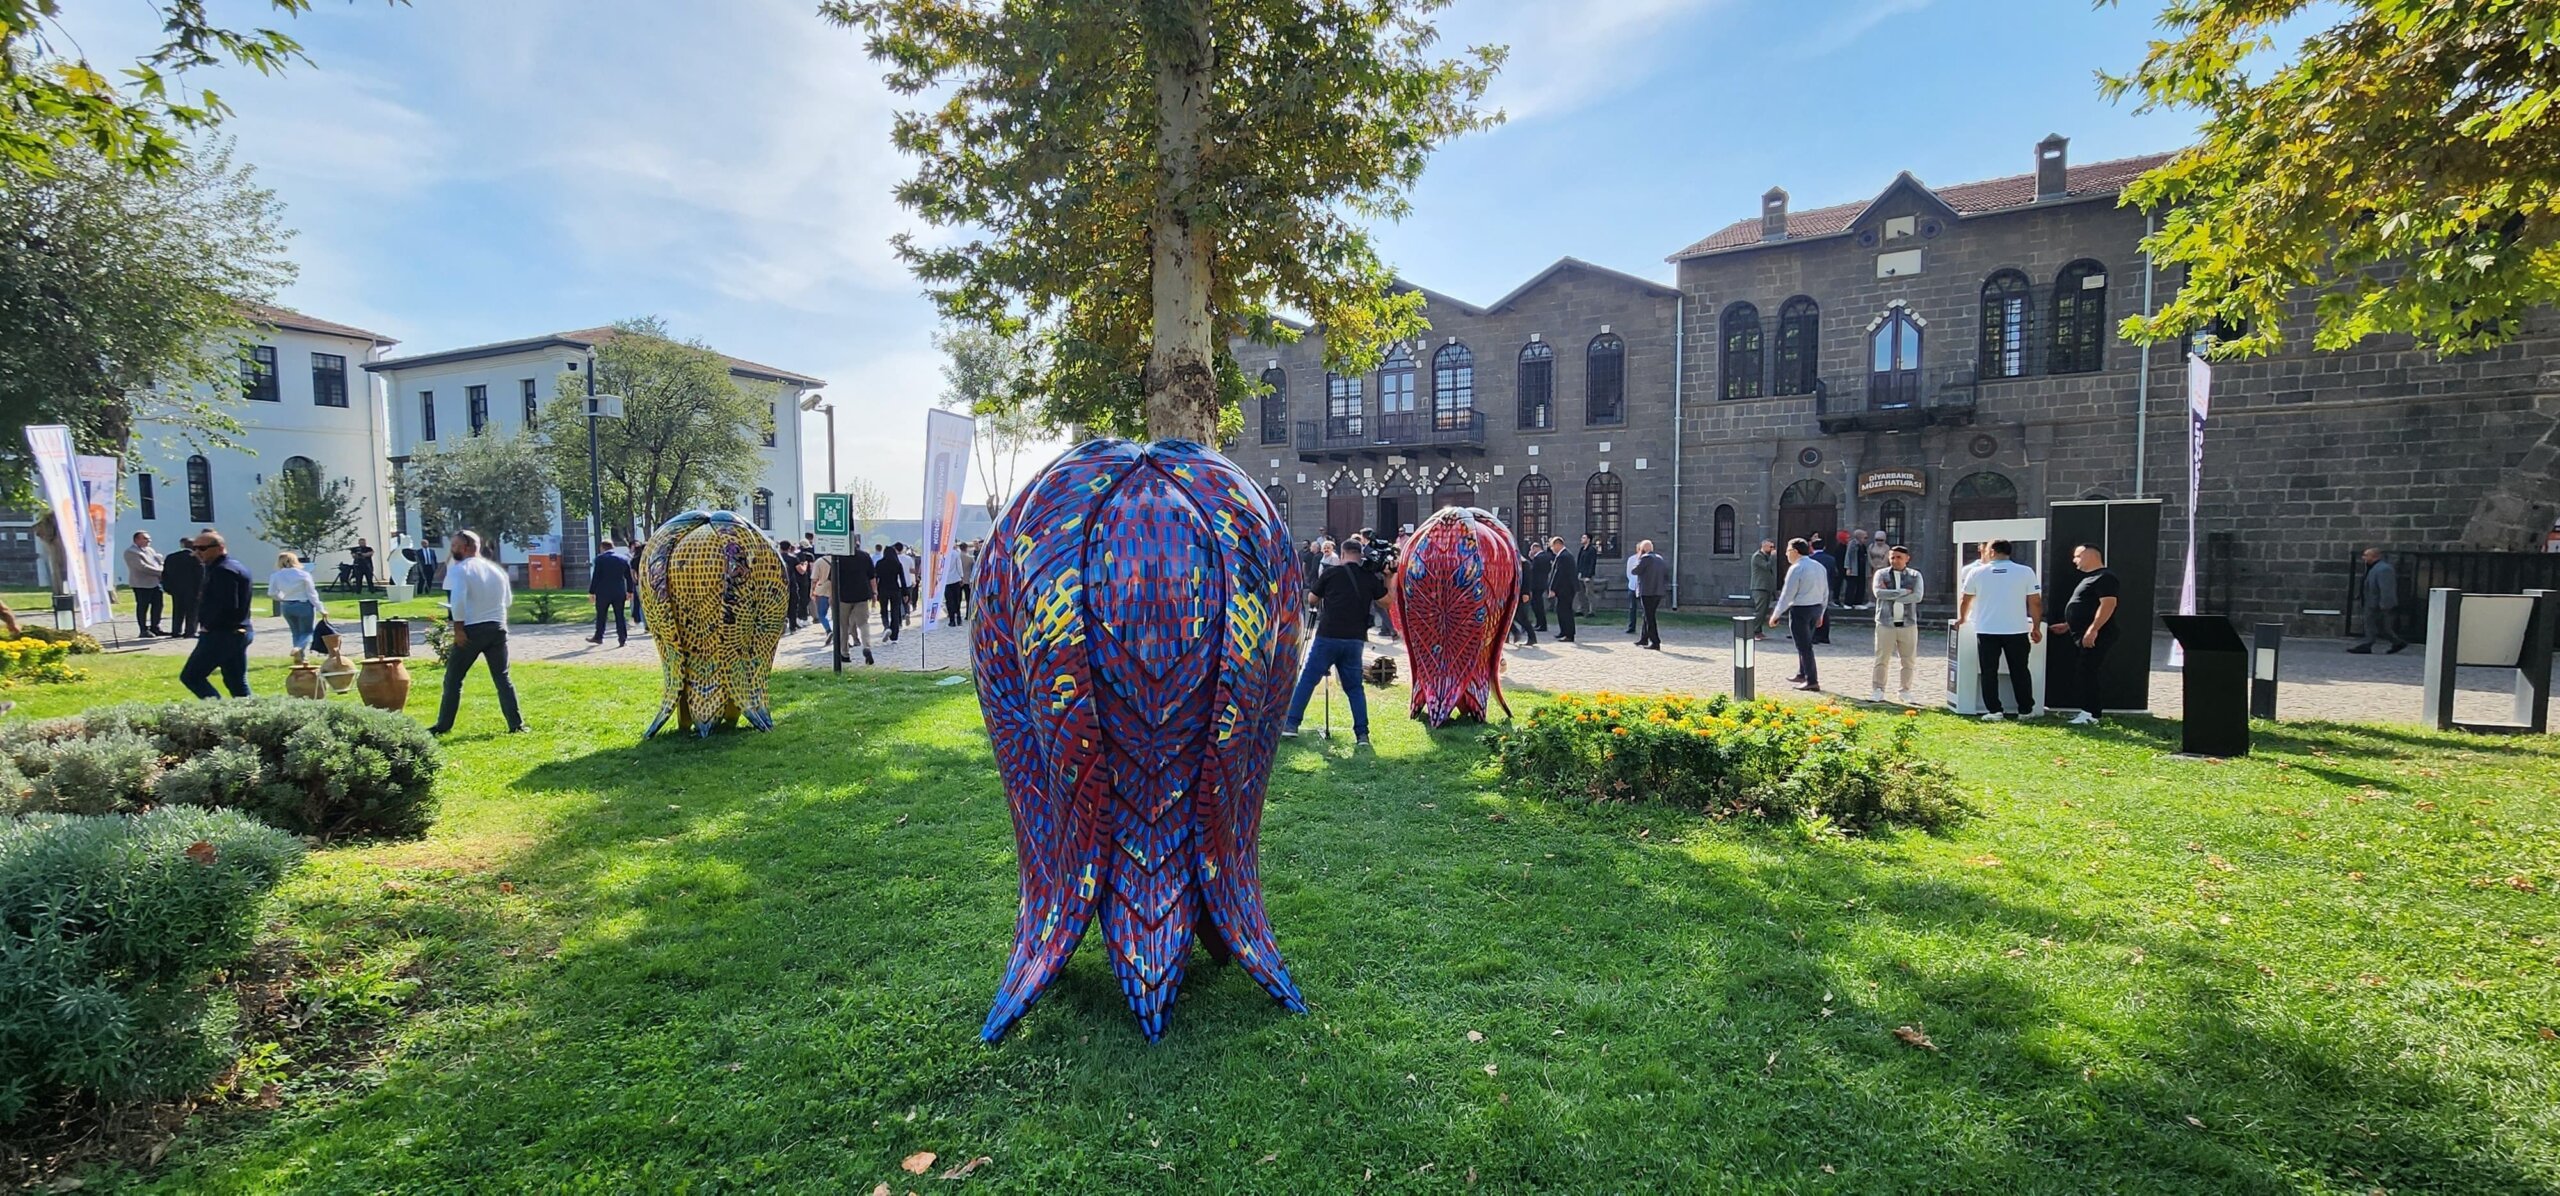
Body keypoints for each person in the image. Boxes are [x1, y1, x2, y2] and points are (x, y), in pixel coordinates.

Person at [1281, 535, 1388, 745]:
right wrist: (1390, 577)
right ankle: (1362, 735)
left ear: (1344, 553)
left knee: (1309, 679)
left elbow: (1312, 598)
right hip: (1355, 639)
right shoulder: (1368, 577)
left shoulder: (1332, 573)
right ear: (1359, 555)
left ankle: (1291, 724)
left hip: (1328, 636)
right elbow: (1386, 602)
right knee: (1355, 688)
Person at [429, 530, 525, 735]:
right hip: (498, 627)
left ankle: (443, 725)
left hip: (472, 628)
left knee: (453, 678)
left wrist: (458, 629)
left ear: (467, 547)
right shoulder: (497, 571)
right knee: (502, 678)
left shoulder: (461, 570)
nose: (452, 550)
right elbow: (507, 601)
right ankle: (516, 725)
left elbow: (458, 601)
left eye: (455, 546)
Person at [1957, 539, 2043, 721]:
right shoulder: (2025, 572)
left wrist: (1963, 618)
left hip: (1987, 628)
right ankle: (2026, 709)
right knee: (2020, 670)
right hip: (2017, 628)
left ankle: (1995, 710)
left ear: (1992, 552)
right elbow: (2035, 601)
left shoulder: (1977, 572)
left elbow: (1965, 599)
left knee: (1989, 671)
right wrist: (2035, 626)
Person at [2049, 543, 2122, 725]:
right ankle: (2088, 711)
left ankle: (2091, 714)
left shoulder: (2105, 577)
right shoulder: (2091, 578)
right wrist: (2069, 624)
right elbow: (2087, 606)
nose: (2074, 561)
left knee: (2087, 672)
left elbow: (2108, 604)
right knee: (2084, 671)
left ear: (2090, 556)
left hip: (2097, 635)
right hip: (2082, 633)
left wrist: (2093, 629)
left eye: (2078, 556)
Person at [178, 532, 254, 698]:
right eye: (194, 548)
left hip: (222, 633)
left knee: (192, 676)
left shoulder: (223, 571)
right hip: (238, 631)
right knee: (235, 680)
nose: (196, 552)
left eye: (202, 548)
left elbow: (227, 605)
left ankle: (218, 711)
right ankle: (249, 715)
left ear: (220, 548)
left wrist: (208, 626)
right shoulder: (232, 566)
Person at [1768, 538, 1829, 692]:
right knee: (1805, 644)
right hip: (1815, 608)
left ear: (1795, 551)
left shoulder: (1797, 568)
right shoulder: (1819, 566)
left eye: (1788, 551)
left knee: (1804, 646)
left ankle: (1812, 680)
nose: (1786, 554)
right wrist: (1821, 612)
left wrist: (1775, 614)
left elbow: (1787, 594)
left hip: (1801, 609)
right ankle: (1802, 673)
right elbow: (1825, 592)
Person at [1869, 544, 1926, 703]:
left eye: (1899, 557)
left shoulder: (1915, 576)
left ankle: (1905, 690)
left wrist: (1891, 595)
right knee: (1881, 657)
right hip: (1885, 622)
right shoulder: (1881, 574)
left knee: (1908, 659)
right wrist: (1902, 592)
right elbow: (1878, 593)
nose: (1895, 560)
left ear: (1907, 559)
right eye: (1892, 557)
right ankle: (1878, 689)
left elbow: (1917, 596)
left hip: (1907, 623)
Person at [2349, 547, 2405, 654]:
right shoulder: (2371, 568)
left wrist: (2385, 604)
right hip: (2370, 601)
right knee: (2378, 626)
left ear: (2375, 556)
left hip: (2377, 603)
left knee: (2378, 625)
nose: (2363, 557)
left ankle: (2368, 644)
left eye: (2366, 555)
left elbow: (2386, 588)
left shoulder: (2384, 569)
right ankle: (2397, 642)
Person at [269, 551, 324, 656]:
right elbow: (312, 593)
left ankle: (300, 657)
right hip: (303, 604)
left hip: (287, 605)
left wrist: (281, 598)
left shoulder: (276, 575)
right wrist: (321, 608)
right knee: (307, 632)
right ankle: (299, 648)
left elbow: (271, 592)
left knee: (295, 632)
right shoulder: (303, 574)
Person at [834, 540, 877, 666]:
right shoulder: (865, 556)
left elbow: (833, 579)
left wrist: (833, 596)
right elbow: (872, 576)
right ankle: (867, 647)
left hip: (843, 596)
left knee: (843, 625)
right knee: (863, 624)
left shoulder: (839, 558)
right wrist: (874, 592)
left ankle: (845, 653)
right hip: (862, 594)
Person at [588, 537, 633, 646]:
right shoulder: (623, 559)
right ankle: (622, 638)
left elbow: (596, 577)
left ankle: (599, 636)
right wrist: (630, 591)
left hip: (603, 592)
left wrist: (592, 592)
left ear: (602, 548)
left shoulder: (600, 559)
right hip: (619, 591)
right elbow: (628, 577)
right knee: (620, 615)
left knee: (601, 615)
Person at [1629, 539, 1669, 650]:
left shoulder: (1645, 558)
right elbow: (1666, 574)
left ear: (1644, 549)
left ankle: (1655, 641)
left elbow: (1635, 571)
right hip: (1658, 591)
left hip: (1647, 591)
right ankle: (1644, 638)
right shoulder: (1660, 559)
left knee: (1649, 616)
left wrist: (1638, 559)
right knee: (1647, 615)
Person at [124, 531, 166, 636]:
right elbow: (142, 567)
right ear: (137, 540)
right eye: (145, 538)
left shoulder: (150, 550)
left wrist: (162, 567)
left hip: (155, 583)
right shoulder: (131, 552)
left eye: (149, 538)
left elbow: (157, 562)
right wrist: (161, 572)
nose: (149, 541)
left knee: (158, 605)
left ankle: (155, 627)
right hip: (141, 584)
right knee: (143, 607)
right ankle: (143, 630)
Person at [162, 533, 203, 639]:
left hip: (176, 589)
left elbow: (165, 574)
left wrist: (167, 588)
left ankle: (176, 631)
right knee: (192, 611)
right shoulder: (197, 558)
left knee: (177, 610)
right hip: (193, 589)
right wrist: (201, 589)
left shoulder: (171, 557)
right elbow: (200, 575)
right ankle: (190, 631)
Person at [1546, 537, 1579, 643]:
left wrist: (1552, 588)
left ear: (1557, 545)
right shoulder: (1563, 555)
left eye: (1552, 546)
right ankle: (1564, 631)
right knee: (1561, 610)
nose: (1552, 549)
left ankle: (1569, 634)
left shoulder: (1564, 556)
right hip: (1565, 588)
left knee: (1565, 611)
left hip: (1566, 589)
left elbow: (1558, 574)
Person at [1809, 537, 1840, 643]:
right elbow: (1835, 574)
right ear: (1824, 547)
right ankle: (1824, 636)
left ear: (1812, 547)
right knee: (1824, 611)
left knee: (1812, 611)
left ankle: (1813, 635)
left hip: (1813, 588)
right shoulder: (1831, 559)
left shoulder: (1810, 559)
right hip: (1827, 587)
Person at [1747, 539, 1779, 641]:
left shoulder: (1766, 557)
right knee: (1760, 611)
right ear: (1764, 546)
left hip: (1766, 588)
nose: (1772, 549)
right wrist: (1774, 556)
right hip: (1759, 587)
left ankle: (1758, 631)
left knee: (1764, 611)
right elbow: (1767, 566)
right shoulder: (1758, 556)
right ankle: (1753, 631)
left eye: (1773, 547)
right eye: (1770, 547)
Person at [877, 542, 909, 642]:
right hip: (895, 589)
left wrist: (875, 592)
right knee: (895, 611)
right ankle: (894, 635)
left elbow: (875, 578)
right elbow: (902, 580)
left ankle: (886, 627)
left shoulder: (880, 563)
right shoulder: (897, 564)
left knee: (884, 610)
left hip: (882, 589)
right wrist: (905, 593)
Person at [1510, 549, 1540, 648]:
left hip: (1522, 593)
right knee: (1511, 616)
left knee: (1521, 617)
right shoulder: (1516, 562)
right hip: (1515, 593)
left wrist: (1526, 592)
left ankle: (1531, 637)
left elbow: (1527, 580)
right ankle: (1516, 633)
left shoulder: (1524, 563)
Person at [1843, 529, 1871, 608]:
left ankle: (1858, 603)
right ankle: (1848, 603)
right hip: (1854, 568)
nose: (1866, 539)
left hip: (1861, 568)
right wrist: (1848, 567)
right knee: (1851, 586)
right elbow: (1848, 556)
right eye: (1864, 538)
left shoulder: (1863, 546)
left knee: (1861, 586)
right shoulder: (1852, 544)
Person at [1574, 534, 1600, 617]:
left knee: (1589, 593)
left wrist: (1589, 575)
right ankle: (1581, 609)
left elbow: (1592, 563)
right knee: (1580, 593)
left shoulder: (1592, 550)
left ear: (1588, 539)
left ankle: (1592, 611)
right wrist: (1578, 572)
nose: (1582, 539)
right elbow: (1579, 562)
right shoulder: (1582, 549)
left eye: (1584, 538)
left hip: (1588, 575)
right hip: (1581, 574)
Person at [1623, 542, 1643, 635]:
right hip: (1633, 586)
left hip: (1643, 587)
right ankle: (1631, 626)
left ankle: (1645, 627)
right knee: (1632, 607)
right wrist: (1633, 581)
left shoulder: (1646, 559)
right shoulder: (1632, 559)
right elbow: (1629, 573)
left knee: (1645, 608)